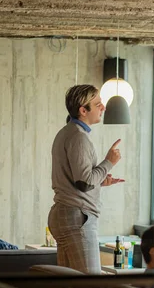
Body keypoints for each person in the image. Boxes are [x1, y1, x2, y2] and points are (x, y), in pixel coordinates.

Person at [48, 84, 124, 274]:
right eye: (98, 104)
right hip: (77, 218)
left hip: (65, 214)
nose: (103, 108)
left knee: (70, 287)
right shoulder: (78, 137)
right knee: (90, 286)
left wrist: (101, 180)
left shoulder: (66, 133)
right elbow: (84, 182)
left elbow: (80, 179)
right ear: (83, 110)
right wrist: (109, 161)